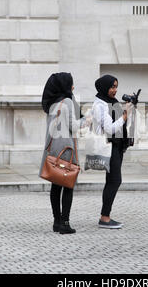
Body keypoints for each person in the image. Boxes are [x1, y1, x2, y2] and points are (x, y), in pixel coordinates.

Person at [39, 72, 89, 234]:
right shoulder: (67, 102)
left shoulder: (52, 103)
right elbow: (73, 126)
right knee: (68, 185)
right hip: (66, 150)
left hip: (53, 150)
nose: (73, 87)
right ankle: (65, 223)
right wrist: (86, 120)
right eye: (71, 84)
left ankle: (56, 221)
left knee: (56, 186)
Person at [92, 74, 133, 229]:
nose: (115, 90)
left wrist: (126, 110)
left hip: (116, 145)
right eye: (112, 86)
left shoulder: (110, 102)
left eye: (116, 86)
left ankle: (105, 216)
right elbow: (109, 128)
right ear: (104, 87)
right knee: (115, 180)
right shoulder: (100, 105)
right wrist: (124, 115)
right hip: (109, 146)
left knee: (112, 181)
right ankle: (105, 217)